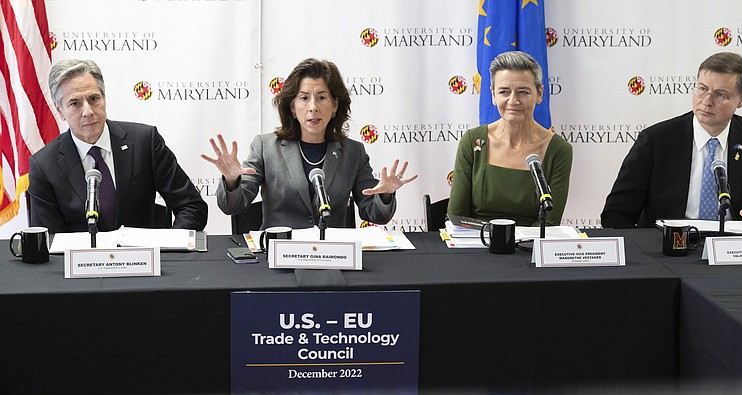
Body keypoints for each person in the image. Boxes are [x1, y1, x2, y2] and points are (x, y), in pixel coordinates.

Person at [202, 58, 417, 230]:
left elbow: (375, 214)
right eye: (304, 98)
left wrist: (386, 195)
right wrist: (231, 181)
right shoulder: (266, 147)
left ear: (334, 105)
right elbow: (234, 206)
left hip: (334, 260)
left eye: (322, 97)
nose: (313, 107)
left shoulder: (353, 152)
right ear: (293, 107)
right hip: (280, 258)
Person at [601, 52, 742, 230]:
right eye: (702, 89)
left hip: (733, 252)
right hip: (669, 250)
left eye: (720, 94)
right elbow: (616, 214)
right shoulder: (656, 140)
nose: (706, 101)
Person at [28, 59, 208, 233]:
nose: (88, 111)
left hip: (147, 259)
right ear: (60, 110)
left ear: (104, 99)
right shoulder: (44, 165)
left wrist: (168, 247)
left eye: (93, 99)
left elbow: (191, 206)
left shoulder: (145, 142)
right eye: (75, 103)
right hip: (84, 263)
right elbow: (49, 240)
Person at [448, 51, 573, 226]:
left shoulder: (559, 150)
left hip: (529, 249)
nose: (513, 101)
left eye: (523, 92)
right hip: (477, 246)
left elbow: (549, 224)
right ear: (493, 95)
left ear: (539, 94)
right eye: (504, 92)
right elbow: (456, 217)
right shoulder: (472, 141)